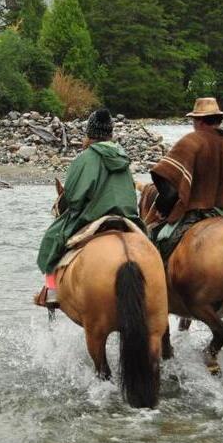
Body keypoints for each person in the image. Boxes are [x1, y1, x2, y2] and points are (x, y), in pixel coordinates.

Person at [36, 108, 145, 309]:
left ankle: (51, 291)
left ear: (89, 135)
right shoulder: (123, 158)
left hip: (93, 217)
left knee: (52, 238)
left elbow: (73, 198)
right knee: (150, 243)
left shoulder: (84, 158)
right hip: (127, 216)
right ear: (110, 134)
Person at [148, 97, 223, 261]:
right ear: (218, 119)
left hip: (196, 212)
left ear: (200, 121)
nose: (193, 124)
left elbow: (168, 182)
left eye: (194, 120)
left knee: (156, 239)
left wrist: (163, 209)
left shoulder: (191, 141)